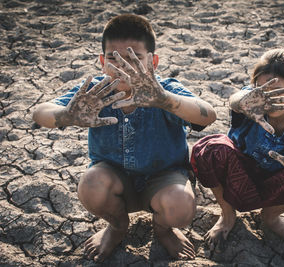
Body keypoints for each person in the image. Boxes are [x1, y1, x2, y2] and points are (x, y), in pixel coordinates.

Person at [32, 14, 216, 262]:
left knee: (181, 207)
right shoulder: (95, 92)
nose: (122, 68)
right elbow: (40, 112)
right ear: (101, 61)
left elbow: (208, 115)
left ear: (154, 62)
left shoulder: (164, 90)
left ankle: (162, 230)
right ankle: (117, 227)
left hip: (164, 178)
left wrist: (164, 100)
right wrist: (67, 115)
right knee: (90, 184)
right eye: (113, 59)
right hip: (115, 181)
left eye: (134, 58)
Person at [190, 48, 284, 252]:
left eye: (277, 91)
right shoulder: (254, 100)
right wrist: (244, 101)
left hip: (276, 183)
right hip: (241, 171)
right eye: (262, 90)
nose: (267, 98)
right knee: (210, 149)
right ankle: (227, 216)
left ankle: (271, 218)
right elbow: (236, 99)